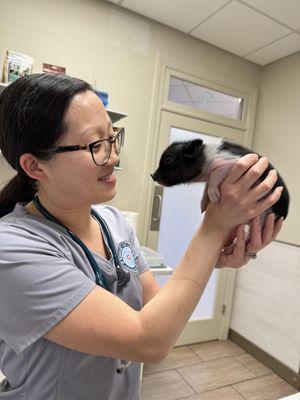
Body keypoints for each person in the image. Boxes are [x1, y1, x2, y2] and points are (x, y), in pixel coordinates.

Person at [0, 73, 284, 400]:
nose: (114, 156)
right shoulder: (13, 249)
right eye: (95, 145)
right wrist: (215, 226)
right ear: (35, 167)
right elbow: (148, 339)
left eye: (113, 138)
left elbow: (157, 311)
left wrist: (215, 255)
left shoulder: (114, 223)